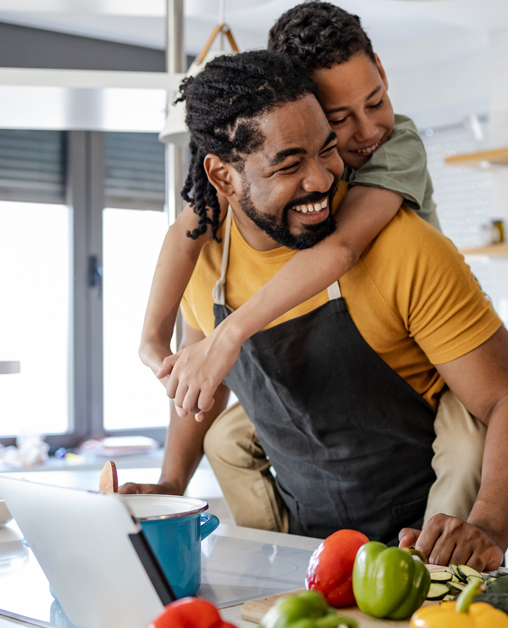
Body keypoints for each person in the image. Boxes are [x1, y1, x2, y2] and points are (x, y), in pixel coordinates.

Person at [121, 50, 508, 571]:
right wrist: (170, 485)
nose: (322, 180)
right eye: (289, 164)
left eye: (327, 149)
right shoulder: (203, 255)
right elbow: (200, 383)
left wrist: (485, 528)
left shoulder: (404, 249)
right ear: (223, 177)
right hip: (304, 553)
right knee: (225, 438)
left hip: (423, 549)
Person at [138, 1, 487, 532]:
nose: (366, 131)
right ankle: (276, 553)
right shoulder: (225, 216)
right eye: (339, 119)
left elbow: (341, 250)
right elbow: (188, 225)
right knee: (226, 439)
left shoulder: (397, 148)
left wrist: (229, 335)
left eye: (375, 102)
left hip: (438, 370)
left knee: (466, 449)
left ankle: (442, 559)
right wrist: (150, 342)